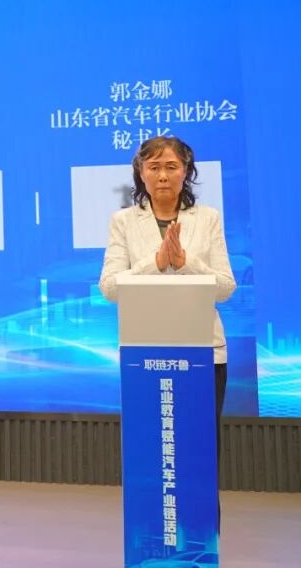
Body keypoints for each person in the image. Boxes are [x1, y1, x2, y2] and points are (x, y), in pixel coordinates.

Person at [98, 135, 237, 459]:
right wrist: (156, 263)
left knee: (200, 449)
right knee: (152, 448)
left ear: (186, 171)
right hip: (144, 352)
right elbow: (110, 288)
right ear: (141, 172)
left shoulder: (208, 218)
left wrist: (186, 262)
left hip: (203, 352)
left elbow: (225, 288)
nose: (163, 175)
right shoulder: (123, 221)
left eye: (171, 167)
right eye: (154, 167)